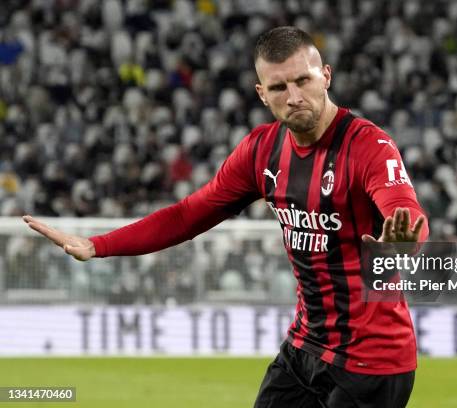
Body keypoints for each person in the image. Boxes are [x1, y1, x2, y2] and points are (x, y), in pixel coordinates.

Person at [23, 26, 428, 408]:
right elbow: (188, 215)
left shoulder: (369, 146)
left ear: (325, 76)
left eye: (303, 80)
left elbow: (406, 214)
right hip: (306, 347)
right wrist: (99, 245)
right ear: (261, 94)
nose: (293, 96)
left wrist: (404, 241)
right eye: (278, 87)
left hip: (371, 359)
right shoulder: (261, 150)